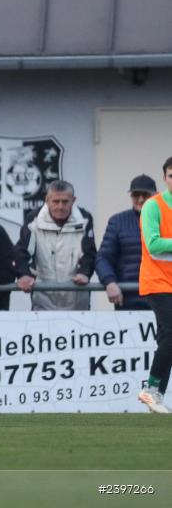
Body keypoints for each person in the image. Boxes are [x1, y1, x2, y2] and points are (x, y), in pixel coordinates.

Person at [15, 180, 97, 310]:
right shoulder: (33, 219)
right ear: (47, 200)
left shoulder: (85, 218)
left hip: (77, 297)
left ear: (73, 200)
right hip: (43, 299)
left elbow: (89, 252)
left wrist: (84, 273)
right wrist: (24, 274)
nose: (60, 206)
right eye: (55, 201)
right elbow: (22, 251)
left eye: (65, 202)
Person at [136, 157, 172, 413]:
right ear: (165, 178)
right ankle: (151, 392)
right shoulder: (153, 206)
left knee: (167, 339)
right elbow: (154, 245)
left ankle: (154, 395)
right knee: (171, 335)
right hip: (157, 281)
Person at [96, 174, 157, 310]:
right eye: (136, 195)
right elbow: (103, 258)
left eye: (145, 195)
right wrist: (109, 282)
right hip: (128, 299)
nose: (140, 199)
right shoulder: (117, 222)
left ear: (155, 195)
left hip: (162, 298)